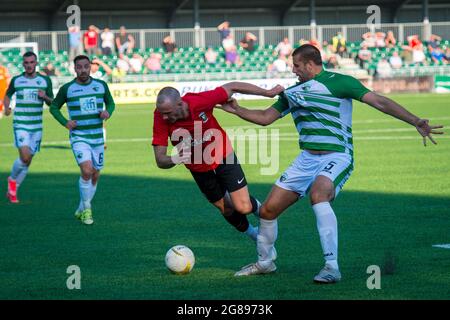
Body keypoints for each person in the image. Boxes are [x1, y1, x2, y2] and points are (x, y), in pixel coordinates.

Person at [218, 44, 443, 282]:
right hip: (305, 159)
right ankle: (265, 263)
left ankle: (331, 267)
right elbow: (265, 118)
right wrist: (238, 110)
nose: (293, 70)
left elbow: (379, 102)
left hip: (337, 156)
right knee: (267, 210)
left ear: (309, 64)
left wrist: (415, 120)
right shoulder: (292, 93)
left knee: (319, 194)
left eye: (296, 65)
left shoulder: (340, 82)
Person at [152, 83, 283, 257]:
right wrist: (175, 158)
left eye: (168, 113)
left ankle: (264, 214)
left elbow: (233, 86)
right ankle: (255, 235)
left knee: (242, 206)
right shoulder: (160, 117)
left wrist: (267, 93)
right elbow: (160, 159)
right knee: (226, 209)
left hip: (222, 154)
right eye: (162, 113)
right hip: (198, 167)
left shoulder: (199, 101)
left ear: (180, 103)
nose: (165, 118)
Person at [50, 55, 115, 225]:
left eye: (86, 66)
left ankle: (81, 208)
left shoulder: (100, 85)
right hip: (79, 137)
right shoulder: (67, 89)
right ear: (74, 68)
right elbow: (54, 107)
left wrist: (107, 112)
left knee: (95, 174)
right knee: (87, 171)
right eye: (79, 67)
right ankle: (87, 210)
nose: (83, 70)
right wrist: (65, 122)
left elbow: (111, 103)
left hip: (97, 138)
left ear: (90, 67)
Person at [3, 52, 53, 203]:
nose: (29, 65)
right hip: (21, 124)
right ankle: (12, 179)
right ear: (23, 64)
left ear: (36, 63)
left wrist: (45, 97)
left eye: (32, 62)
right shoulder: (17, 80)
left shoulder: (44, 81)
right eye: (26, 62)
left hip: (36, 126)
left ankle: (13, 189)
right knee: (24, 157)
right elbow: (7, 95)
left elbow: (52, 102)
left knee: (27, 161)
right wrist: (7, 107)